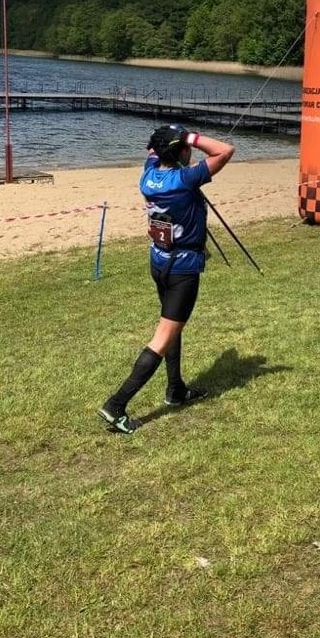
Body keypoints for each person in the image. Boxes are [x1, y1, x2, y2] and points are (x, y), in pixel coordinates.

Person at [98, 124, 235, 434]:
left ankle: (176, 390)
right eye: (186, 145)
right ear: (182, 150)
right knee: (162, 338)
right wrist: (191, 137)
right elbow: (225, 151)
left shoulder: (149, 174)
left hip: (159, 262)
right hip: (182, 269)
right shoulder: (184, 179)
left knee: (173, 326)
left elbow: (152, 151)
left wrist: (171, 139)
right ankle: (116, 405)